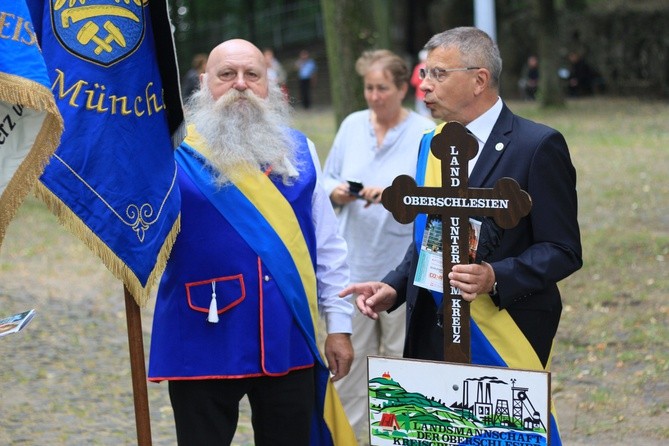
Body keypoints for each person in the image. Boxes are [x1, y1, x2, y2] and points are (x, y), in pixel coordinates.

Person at [340, 27, 582, 446]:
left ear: (479, 79)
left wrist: (496, 275)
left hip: (505, 330)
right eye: (423, 73)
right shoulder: (428, 144)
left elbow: (563, 250)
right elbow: (430, 239)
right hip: (431, 328)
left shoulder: (537, 145)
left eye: (437, 73)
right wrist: (393, 286)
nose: (425, 85)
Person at [148, 39, 356, 446]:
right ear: (205, 82)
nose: (240, 85)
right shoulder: (170, 150)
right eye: (227, 75)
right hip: (200, 334)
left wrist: (340, 327)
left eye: (251, 75)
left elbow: (329, 246)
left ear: (269, 84)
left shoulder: (301, 149)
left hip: (287, 334)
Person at [322, 49, 434, 440]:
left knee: (399, 366)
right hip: (353, 266)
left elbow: (431, 198)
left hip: (402, 271)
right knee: (350, 368)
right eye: (368, 88)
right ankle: (351, 438)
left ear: (403, 88)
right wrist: (336, 191)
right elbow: (326, 177)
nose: (374, 96)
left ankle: (397, 437)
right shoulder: (352, 125)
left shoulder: (424, 132)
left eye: (382, 88)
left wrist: (392, 196)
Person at [410, 49, 431, 117]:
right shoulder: (431, 68)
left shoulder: (418, 68)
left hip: (420, 94)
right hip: (430, 93)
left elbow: (413, 81)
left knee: (421, 112)